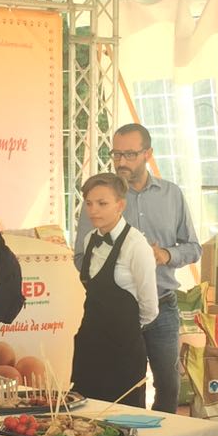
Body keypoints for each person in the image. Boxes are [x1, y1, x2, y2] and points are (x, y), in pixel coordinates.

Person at [75, 124, 199, 412]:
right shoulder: (100, 196)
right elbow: (82, 256)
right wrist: (108, 290)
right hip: (114, 316)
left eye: (129, 154)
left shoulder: (171, 195)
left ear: (148, 154)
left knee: (168, 384)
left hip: (162, 305)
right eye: (116, 154)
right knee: (119, 385)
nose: (121, 162)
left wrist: (166, 255)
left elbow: (194, 247)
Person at [70, 172, 157, 406]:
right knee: (84, 413)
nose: (93, 210)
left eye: (102, 203)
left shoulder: (136, 245)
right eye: (89, 203)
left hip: (123, 350)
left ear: (120, 205)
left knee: (123, 416)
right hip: (90, 345)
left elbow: (150, 307)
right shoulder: (89, 239)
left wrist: (125, 329)